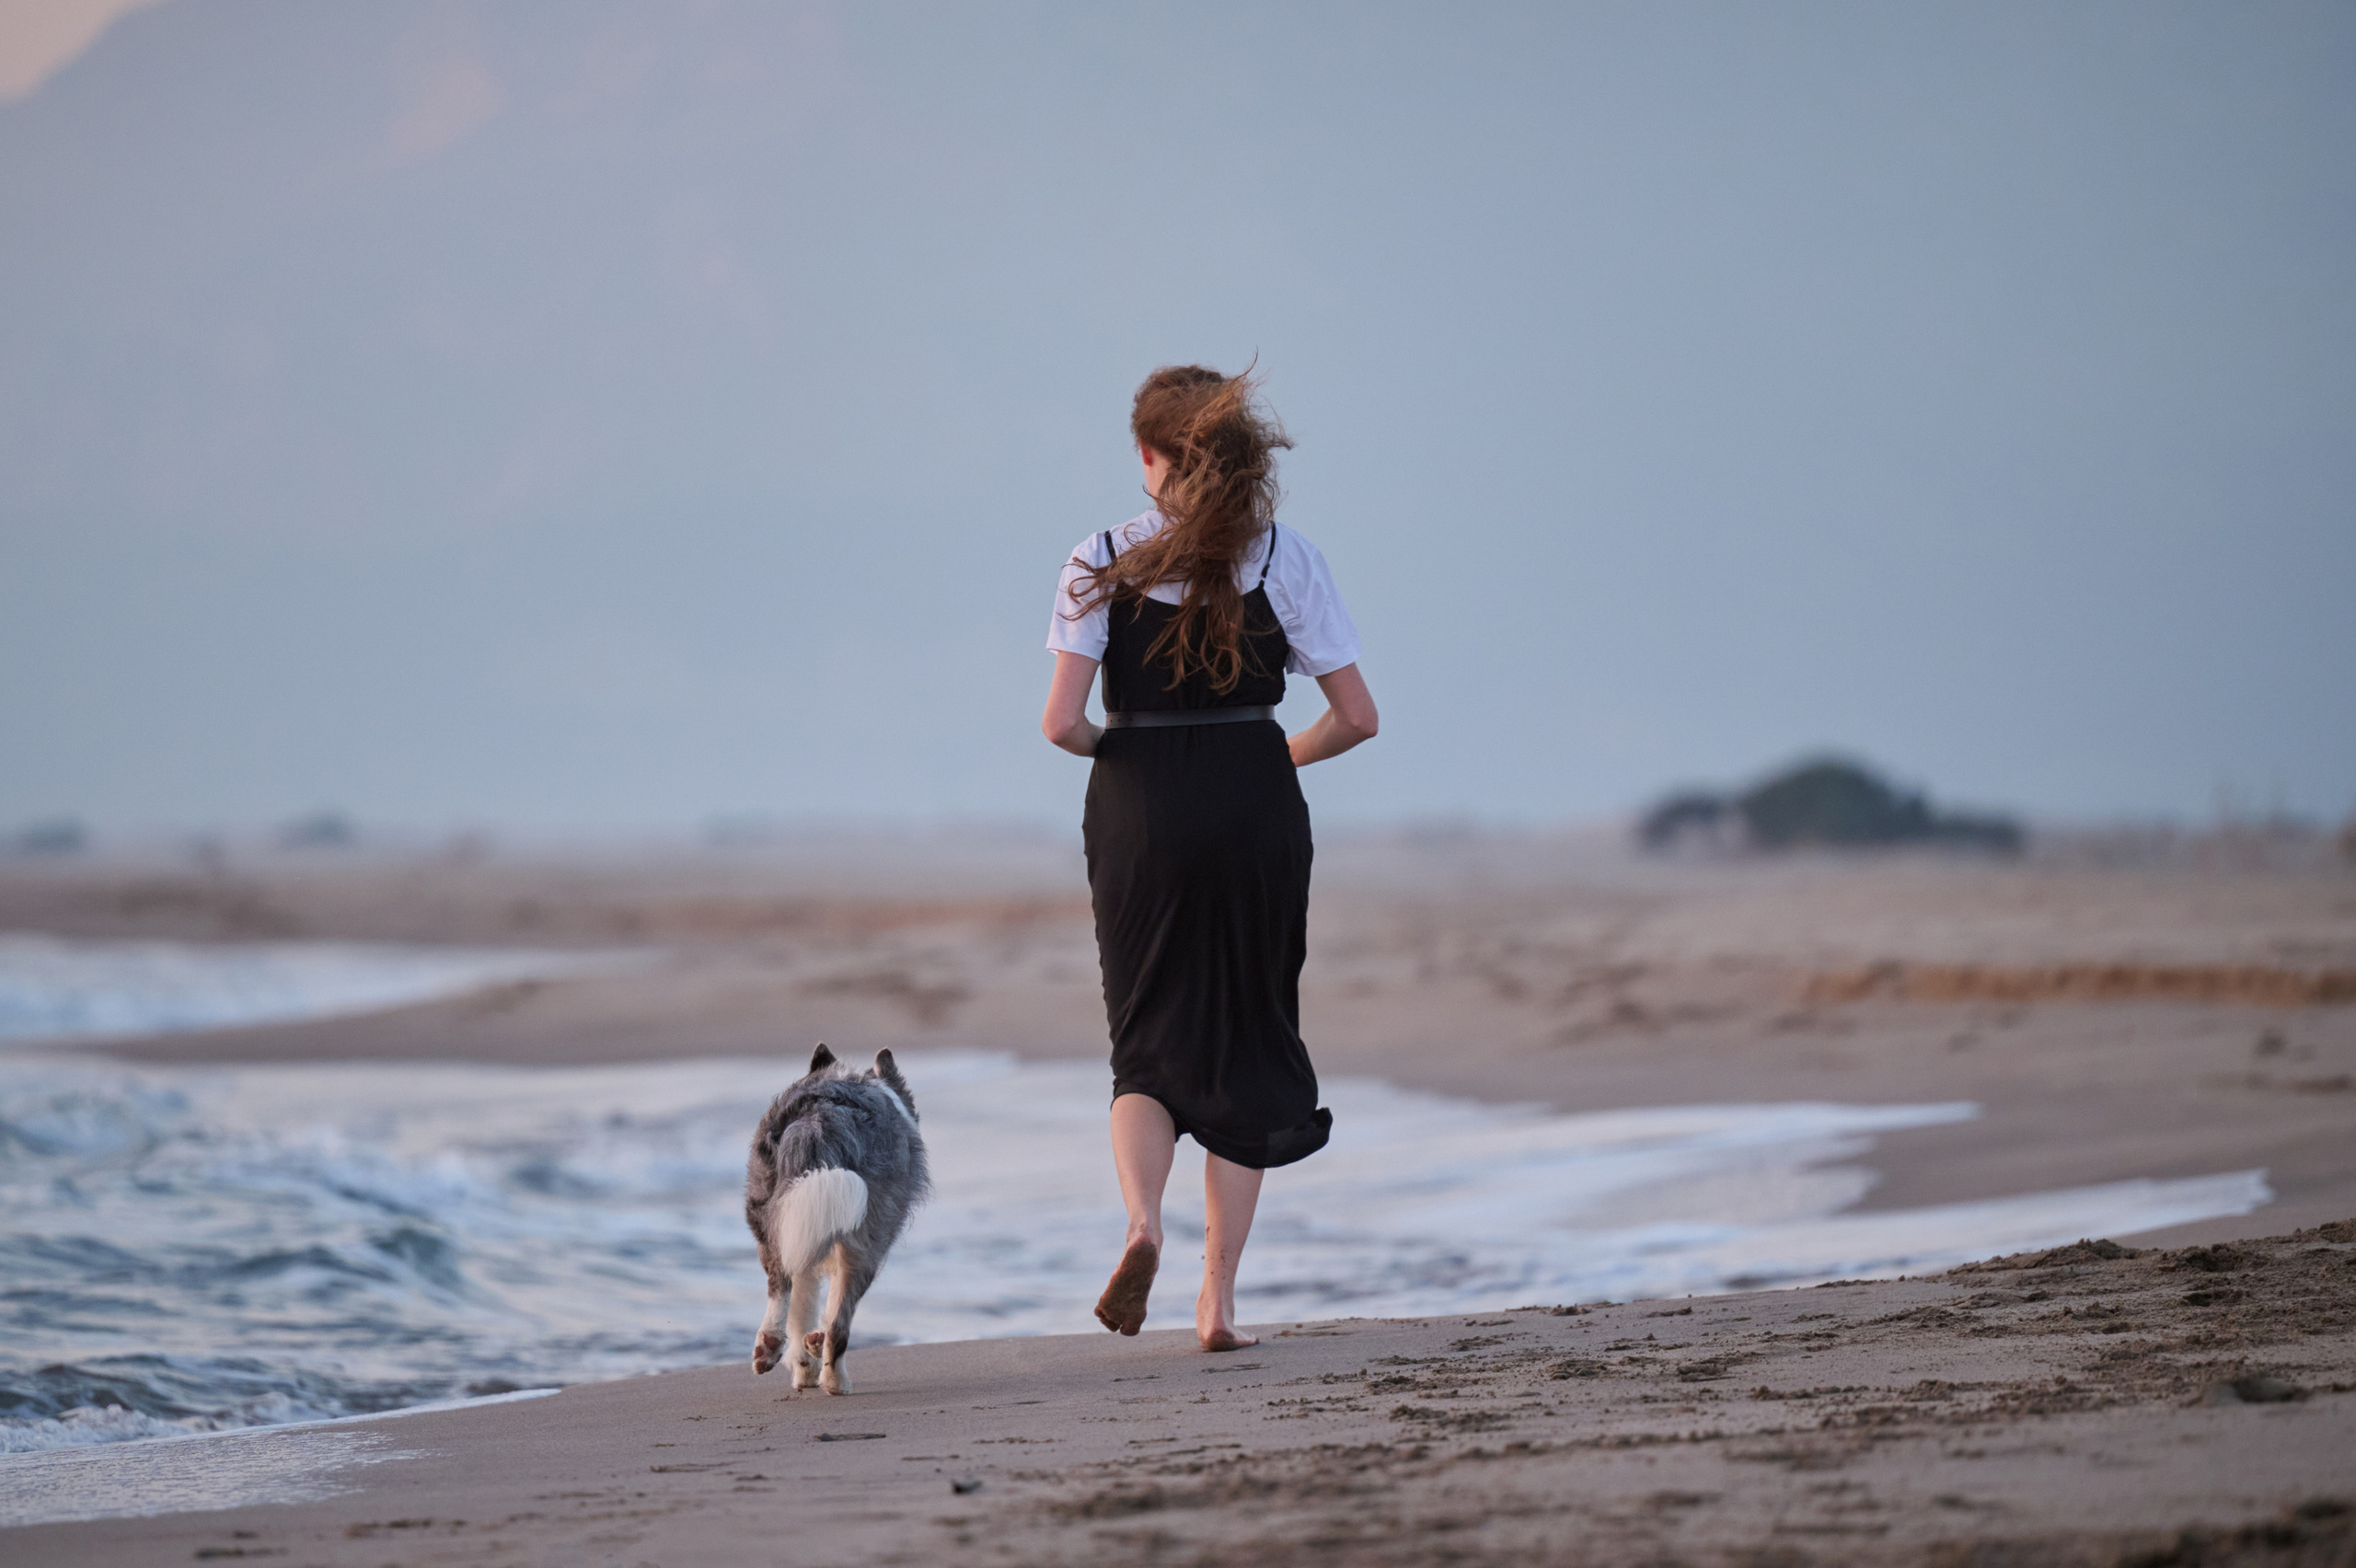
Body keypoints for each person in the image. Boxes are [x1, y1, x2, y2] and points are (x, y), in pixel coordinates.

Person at [1041, 364, 1379, 1352]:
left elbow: (1061, 724)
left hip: (1137, 805)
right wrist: (1273, 753)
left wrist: (1133, 759)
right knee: (1246, 1037)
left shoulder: (1098, 555)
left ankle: (1142, 1223)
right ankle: (1216, 1302)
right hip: (1254, 800)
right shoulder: (1283, 557)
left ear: (1150, 458)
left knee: (1143, 1039)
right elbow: (1357, 717)